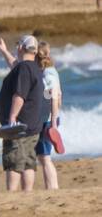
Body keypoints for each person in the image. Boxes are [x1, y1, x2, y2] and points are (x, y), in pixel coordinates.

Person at [0, 36, 45, 192]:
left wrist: (12, 118)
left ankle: (12, 194)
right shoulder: (34, 67)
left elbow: (19, 95)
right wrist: (4, 51)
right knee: (29, 162)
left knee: (14, 162)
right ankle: (27, 194)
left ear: (21, 48)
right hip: (33, 125)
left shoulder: (23, 69)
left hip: (19, 126)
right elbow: (15, 64)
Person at [35, 42, 63, 190]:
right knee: (43, 157)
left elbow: (54, 97)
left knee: (45, 158)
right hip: (49, 118)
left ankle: (53, 189)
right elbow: (60, 94)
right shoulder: (52, 71)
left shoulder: (47, 73)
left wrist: (52, 124)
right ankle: (51, 188)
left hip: (47, 120)